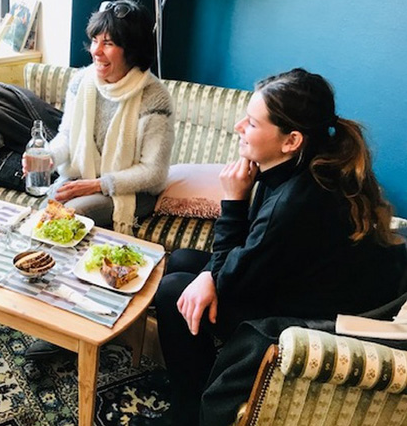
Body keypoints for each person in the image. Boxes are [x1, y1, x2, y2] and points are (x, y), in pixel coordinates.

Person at [154, 68, 407, 426]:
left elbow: (232, 277)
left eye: (253, 124)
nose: (239, 126)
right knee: (182, 260)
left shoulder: (294, 202)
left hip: (327, 317)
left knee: (173, 290)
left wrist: (234, 201)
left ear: (291, 140)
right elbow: (247, 255)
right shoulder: (301, 167)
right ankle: (198, 374)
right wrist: (212, 272)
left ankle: (190, 409)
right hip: (310, 282)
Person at [23, 0, 175, 359]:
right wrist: (45, 158)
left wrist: (97, 184)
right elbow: (65, 139)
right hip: (89, 178)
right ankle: (54, 311)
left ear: (131, 49)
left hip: (131, 190)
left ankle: (80, 322)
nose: (96, 50)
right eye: (94, 40)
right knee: (52, 208)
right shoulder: (82, 81)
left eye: (108, 43)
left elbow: (153, 173)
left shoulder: (154, 96)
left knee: (72, 215)